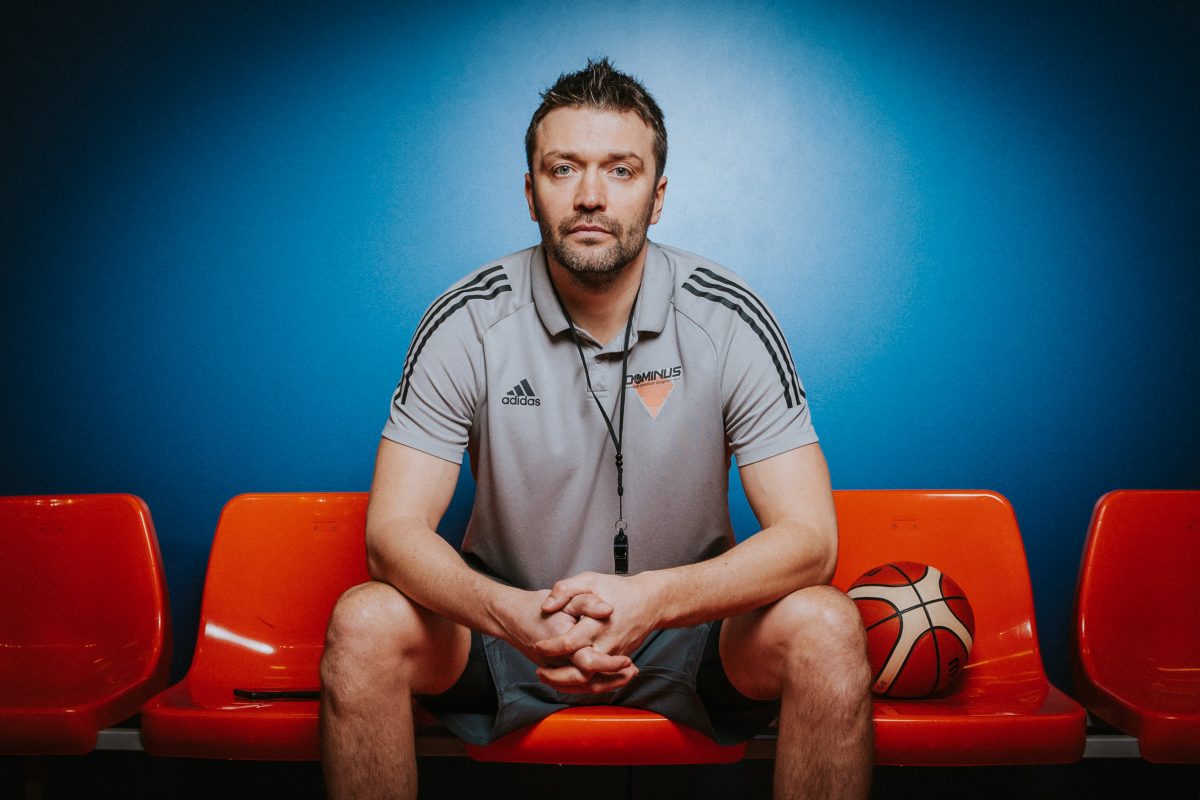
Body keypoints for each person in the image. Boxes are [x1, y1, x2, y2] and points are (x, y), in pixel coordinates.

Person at [320, 58, 872, 799]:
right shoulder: (467, 319)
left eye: (620, 170)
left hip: (690, 632)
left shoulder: (729, 317)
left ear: (658, 194)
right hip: (508, 632)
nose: (590, 196)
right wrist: (514, 615)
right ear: (530, 192)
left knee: (827, 626)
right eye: (563, 169)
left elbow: (811, 540)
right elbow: (391, 534)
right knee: (364, 622)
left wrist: (656, 600)